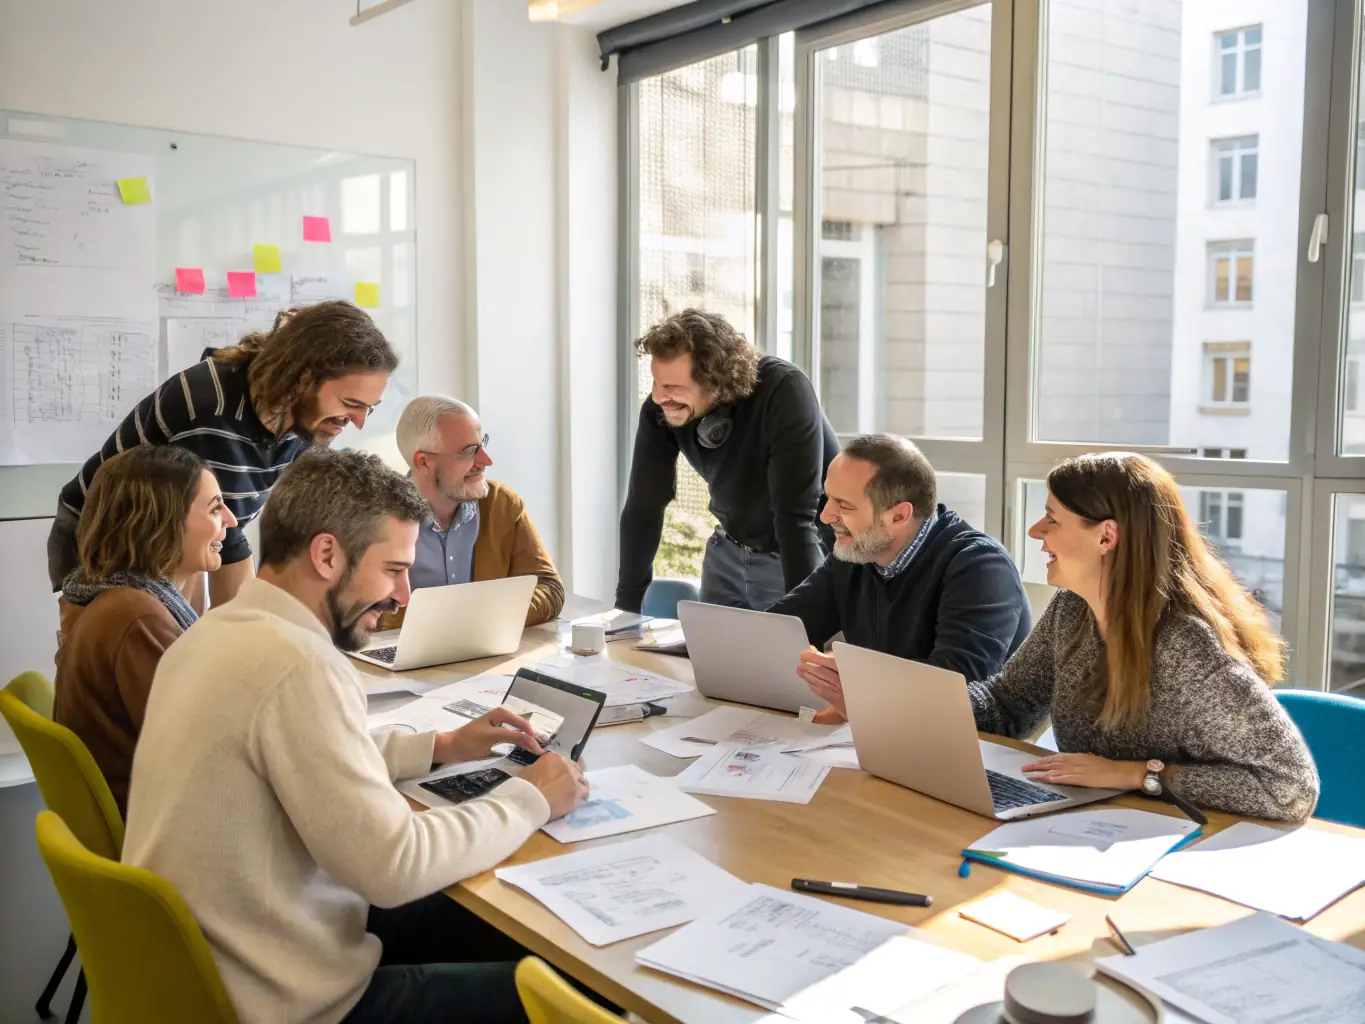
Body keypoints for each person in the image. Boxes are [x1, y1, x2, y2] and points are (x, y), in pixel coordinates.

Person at [122, 449, 590, 1023]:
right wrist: (532, 796)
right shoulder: (298, 666)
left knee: (498, 921)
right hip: (287, 1000)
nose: (403, 597)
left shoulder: (214, 633)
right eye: (393, 570)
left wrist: (438, 747)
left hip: (213, 967)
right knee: (572, 988)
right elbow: (396, 866)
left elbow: (294, 756)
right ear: (326, 554)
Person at [969, 452, 1318, 823]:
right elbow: (1008, 703)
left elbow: (1290, 789)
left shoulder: (1185, 647)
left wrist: (1137, 774)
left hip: (1184, 844)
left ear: (1106, 536)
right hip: (1094, 824)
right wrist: (921, 705)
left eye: (1052, 519)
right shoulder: (1073, 609)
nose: (1036, 530)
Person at [48, 300, 397, 613]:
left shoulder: (304, 421)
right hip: (104, 540)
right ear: (304, 376)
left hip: (179, 539)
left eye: (370, 408)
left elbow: (260, 529)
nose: (359, 421)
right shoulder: (212, 408)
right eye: (352, 404)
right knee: (135, 659)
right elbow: (226, 537)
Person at [769, 434, 1030, 723]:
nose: (826, 515)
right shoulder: (857, 552)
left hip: (976, 743)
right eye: (828, 497)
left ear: (899, 515)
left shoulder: (982, 567)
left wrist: (856, 676)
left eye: (844, 505)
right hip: (885, 725)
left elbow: (957, 684)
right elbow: (779, 630)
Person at [617, 309, 840, 613]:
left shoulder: (783, 390)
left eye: (673, 388)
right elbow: (643, 507)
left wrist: (806, 626)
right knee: (711, 659)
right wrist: (625, 612)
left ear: (714, 380)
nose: (659, 397)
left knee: (783, 657)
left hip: (794, 556)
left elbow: (795, 519)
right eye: (656, 383)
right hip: (727, 554)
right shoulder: (660, 410)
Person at [52, 445, 235, 814]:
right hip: (158, 831)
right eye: (215, 508)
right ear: (162, 521)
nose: (230, 520)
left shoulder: (120, 598)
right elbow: (208, 753)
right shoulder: (137, 615)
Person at [387, 395, 564, 627]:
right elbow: (359, 609)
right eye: (469, 451)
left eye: (483, 444)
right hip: (401, 658)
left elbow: (549, 588)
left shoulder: (503, 505)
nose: (486, 460)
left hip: (488, 655)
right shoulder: (377, 518)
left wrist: (482, 617)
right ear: (423, 462)